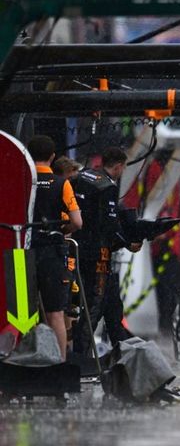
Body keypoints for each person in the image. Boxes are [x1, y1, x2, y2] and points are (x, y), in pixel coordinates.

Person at [25, 135, 83, 359]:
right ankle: (58, 366)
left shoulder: (19, 179)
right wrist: (63, 229)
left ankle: (22, 364)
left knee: (23, 315)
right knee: (56, 313)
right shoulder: (61, 183)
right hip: (51, 252)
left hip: (22, 253)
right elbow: (77, 222)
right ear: (52, 157)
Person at [70, 146, 130, 359]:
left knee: (112, 305)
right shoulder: (107, 187)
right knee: (94, 305)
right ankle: (80, 358)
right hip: (98, 256)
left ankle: (124, 353)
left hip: (77, 249)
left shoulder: (81, 175)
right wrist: (128, 242)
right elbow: (111, 225)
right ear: (119, 166)